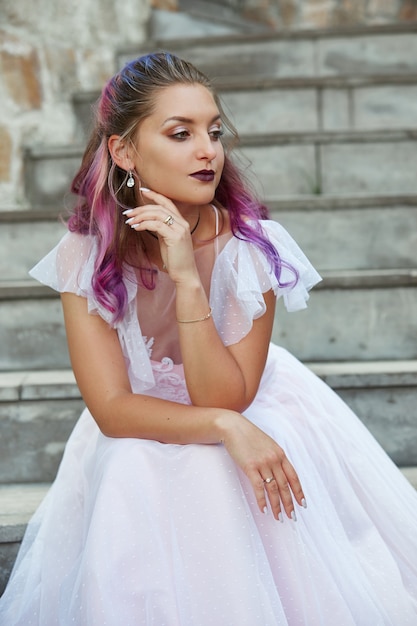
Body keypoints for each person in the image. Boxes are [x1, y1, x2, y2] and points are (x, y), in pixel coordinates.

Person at [0, 51, 416, 626]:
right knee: (129, 463)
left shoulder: (252, 247)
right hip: (149, 416)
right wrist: (224, 426)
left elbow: (226, 396)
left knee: (218, 470)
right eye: (181, 133)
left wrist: (186, 277)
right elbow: (115, 410)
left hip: (246, 393)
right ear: (124, 151)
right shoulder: (85, 254)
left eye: (215, 132)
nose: (208, 150)